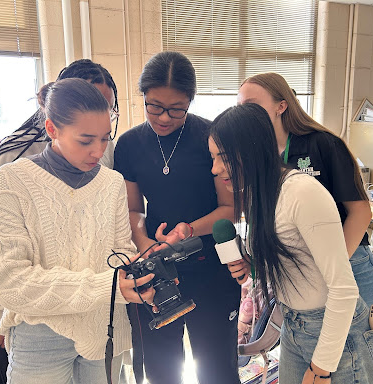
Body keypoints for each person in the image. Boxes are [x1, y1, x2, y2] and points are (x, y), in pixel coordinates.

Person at [0, 78, 153, 384]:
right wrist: (106, 287)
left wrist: (135, 274)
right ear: (52, 130)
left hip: (104, 328)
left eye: (104, 138)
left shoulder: (111, 183)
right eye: (86, 140)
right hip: (40, 334)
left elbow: (119, 253)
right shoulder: (12, 181)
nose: (98, 151)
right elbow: (9, 281)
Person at [210, 103, 373, 384]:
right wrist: (251, 265)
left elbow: (343, 289)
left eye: (223, 157)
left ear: (252, 150)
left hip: (336, 333)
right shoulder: (260, 195)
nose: (215, 168)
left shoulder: (303, 194)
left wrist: (321, 368)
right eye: (212, 158)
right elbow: (293, 265)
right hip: (293, 325)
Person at [114, 51, 241, 384]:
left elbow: (230, 209)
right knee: (161, 370)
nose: (165, 118)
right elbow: (132, 209)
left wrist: (188, 230)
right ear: (142, 96)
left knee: (217, 369)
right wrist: (146, 246)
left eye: (176, 109)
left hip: (211, 268)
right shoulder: (128, 144)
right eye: (154, 105)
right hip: (157, 272)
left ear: (191, 101)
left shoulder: (211, 137)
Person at [236, 73, 373, 317]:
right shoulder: (258, 156)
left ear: (281, 106)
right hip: (296, 269)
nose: (244, 114)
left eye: (252, 105)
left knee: (359, 352)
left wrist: (330, 270)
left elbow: (361, 212)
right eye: (240, 107)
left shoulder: (323, 144)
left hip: (346, 263)